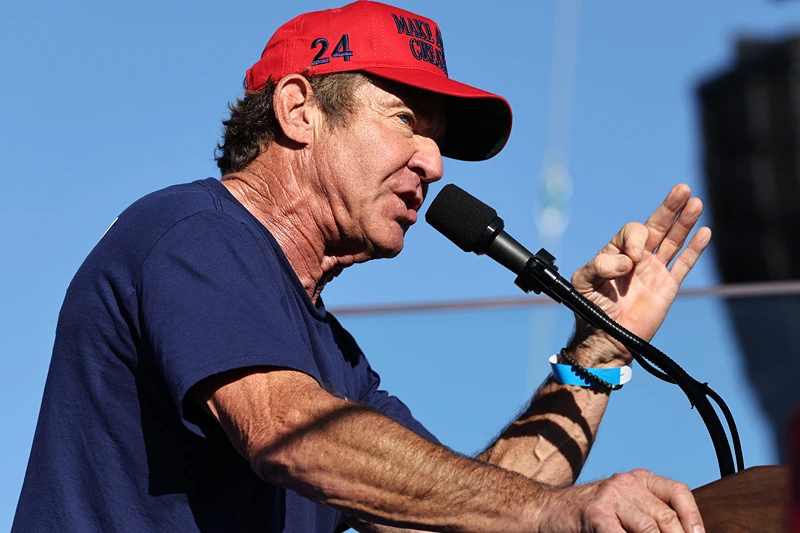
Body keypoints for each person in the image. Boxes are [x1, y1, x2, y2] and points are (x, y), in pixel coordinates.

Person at [13, 1, 712, 532]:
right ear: (298, 109)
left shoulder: (332, 359)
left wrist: (598, 349)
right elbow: (286, 430)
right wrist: (552, 512)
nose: (434, 164)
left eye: (438, 141)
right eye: (408, 119)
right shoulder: (193, 232)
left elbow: (463, 507)